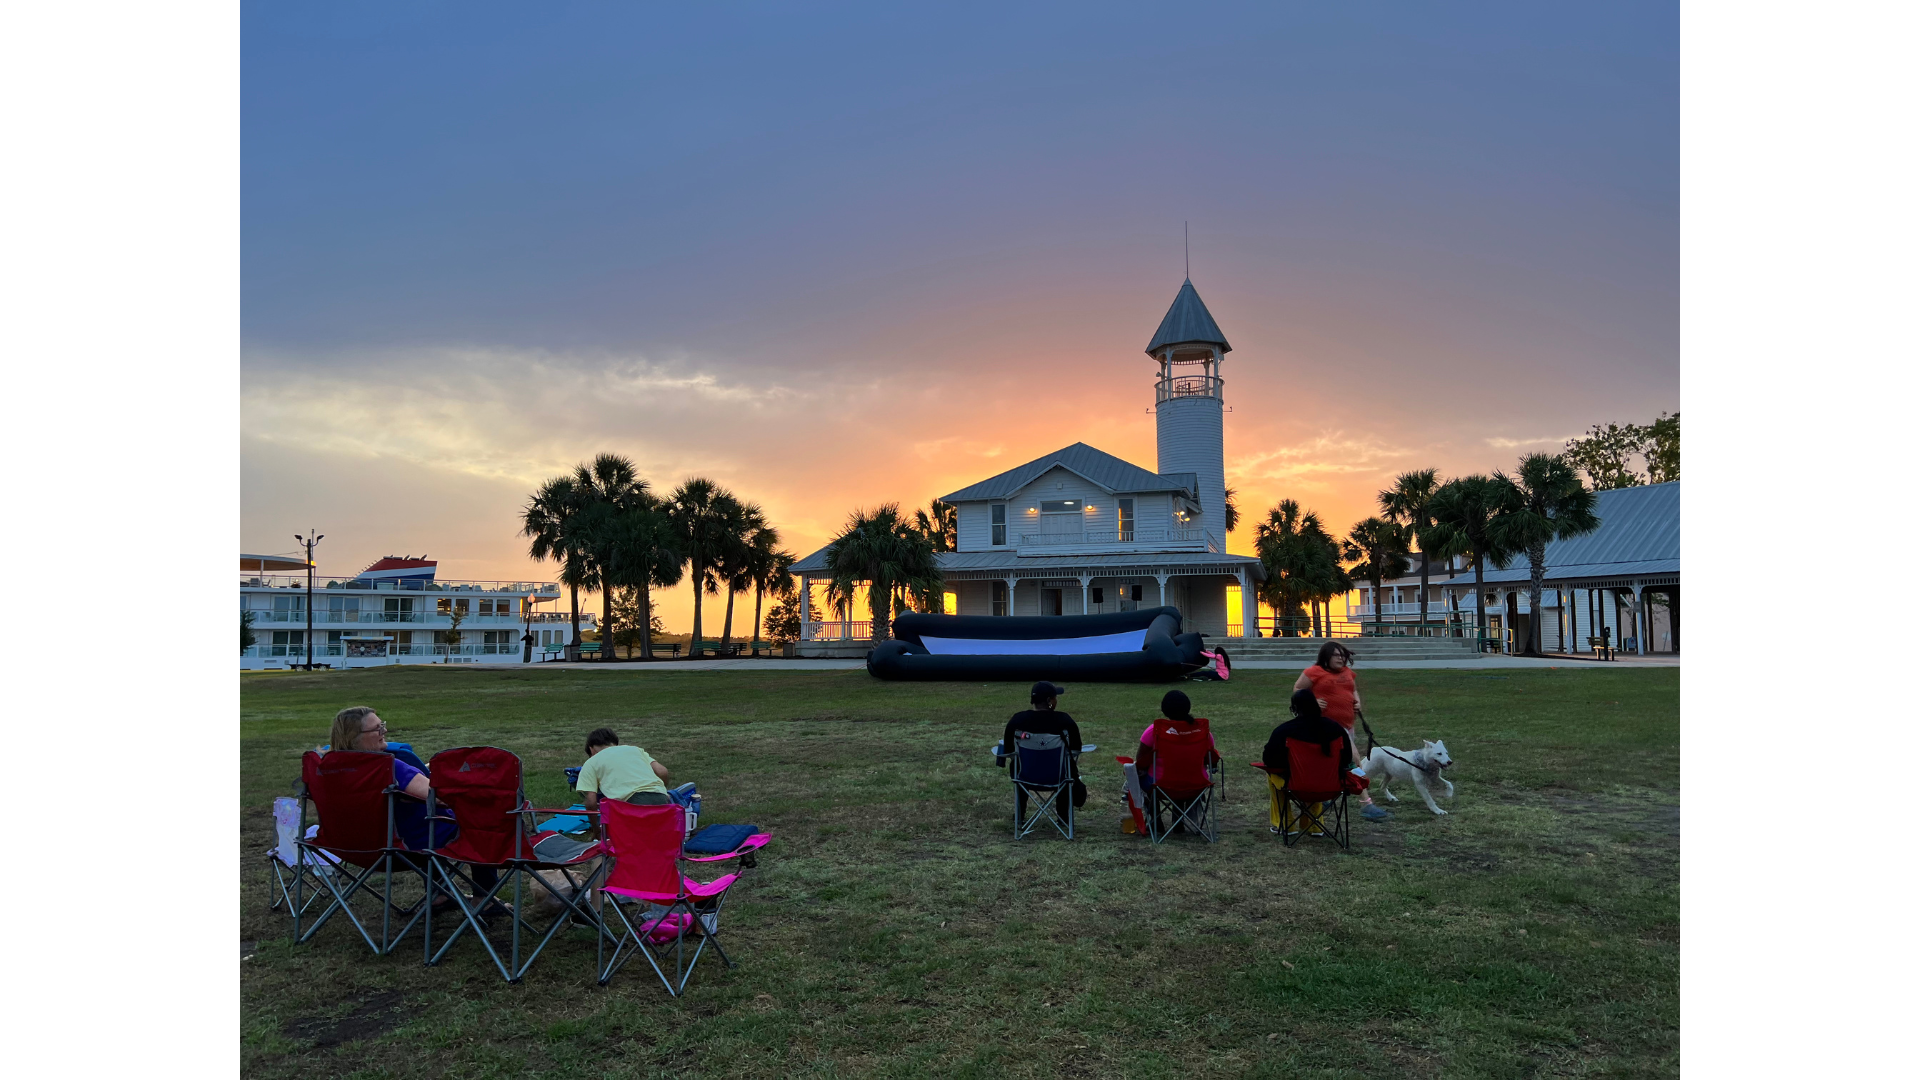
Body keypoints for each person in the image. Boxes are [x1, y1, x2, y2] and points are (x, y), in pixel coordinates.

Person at [327, 706, 507, 915]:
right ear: (355, 737)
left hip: (351, 848)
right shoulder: (388, 768)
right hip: (403, 848)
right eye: (377, 729)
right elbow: (441, 797)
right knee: (478, 821)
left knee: (424, 822)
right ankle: (484, 898)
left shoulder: (328, 771)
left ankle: (439, 894)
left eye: (382, 725)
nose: (384, 731)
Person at [1293, 642, 1390, 821]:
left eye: (1343, 655)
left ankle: (1324, 796)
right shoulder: (1313, 672)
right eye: (1336, 655)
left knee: (1333, 762)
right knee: (1354, 760)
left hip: (1347, 725)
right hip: (1326, 726)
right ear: (1326, 657)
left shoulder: (1347, 672)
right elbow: (1298, 690)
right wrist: (1312, 702)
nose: (1341, 658)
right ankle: (1366, 804)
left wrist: (1357, 702)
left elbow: (1353, 690)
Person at [1261, 688, 1363, 835]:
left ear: (1294, 709)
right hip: (1331, 787)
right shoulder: (1336, 729)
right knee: (1317, 776)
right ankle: (1315, 825)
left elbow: (1269, 760)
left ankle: (1286, 824)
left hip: (1295, 786)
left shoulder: (1284, 731)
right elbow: (1346, 759)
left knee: (1272, 775)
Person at [1135, 690, 1219, 831]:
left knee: (1140, 777)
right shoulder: (1203, 732)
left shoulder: (1154, 731)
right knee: (1181, 774)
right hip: (1196, 784)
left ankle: (1155, 821)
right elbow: (1210, 759)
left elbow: (1140, 761)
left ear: (1164, 710)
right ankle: (1178, 821)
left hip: (1160, 786)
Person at [999, 681, 1086, 813]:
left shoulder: (1017, 720)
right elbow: (1076, 750)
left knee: (1017, 763)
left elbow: (1009, 752)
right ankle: (1063, 818)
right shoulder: (1064, 720)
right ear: (1049, 700)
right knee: (1067, 766)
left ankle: (1019, 816)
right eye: (1055, 697)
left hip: (1025, 778)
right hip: (1059, 778)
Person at [574, 727, 674, 810]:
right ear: (615, 743)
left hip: (630, 803)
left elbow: (591, 802)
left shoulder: (591, 762)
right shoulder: (635, 750)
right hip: (661, 797)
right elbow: (662, 772)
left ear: (591, 750)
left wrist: (595, 827)